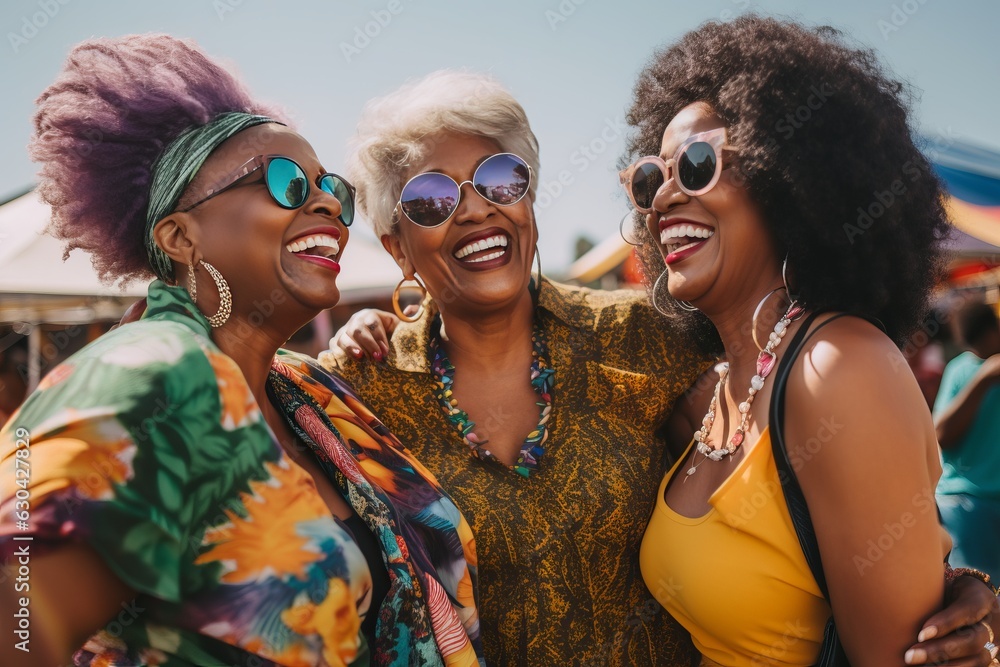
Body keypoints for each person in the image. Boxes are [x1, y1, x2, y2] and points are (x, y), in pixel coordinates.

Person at [325, 69, 1000, 666]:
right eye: (431, 200)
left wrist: (953, 589)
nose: (476, 207)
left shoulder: (644, 337)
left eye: (503, 178)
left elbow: (811, 476)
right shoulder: (354, 393)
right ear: (396, 245)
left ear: (528, 201)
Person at [0, 35, 482, 667]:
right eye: (283, 183)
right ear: (179, 236)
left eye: (330, 185)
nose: (328, 204)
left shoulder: (310, 392)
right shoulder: (154, 373)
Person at [624, 16, 999, 666]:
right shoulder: (712, 392)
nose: (664, 199)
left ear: (791, 179)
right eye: (650, 179)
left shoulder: (837, 368)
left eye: (697, 163)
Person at [934, 300, 1000, 582]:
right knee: (977, 594)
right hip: (965, 507)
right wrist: (983, 380)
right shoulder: (962, 370)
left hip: (976, 509)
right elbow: (941, 435)